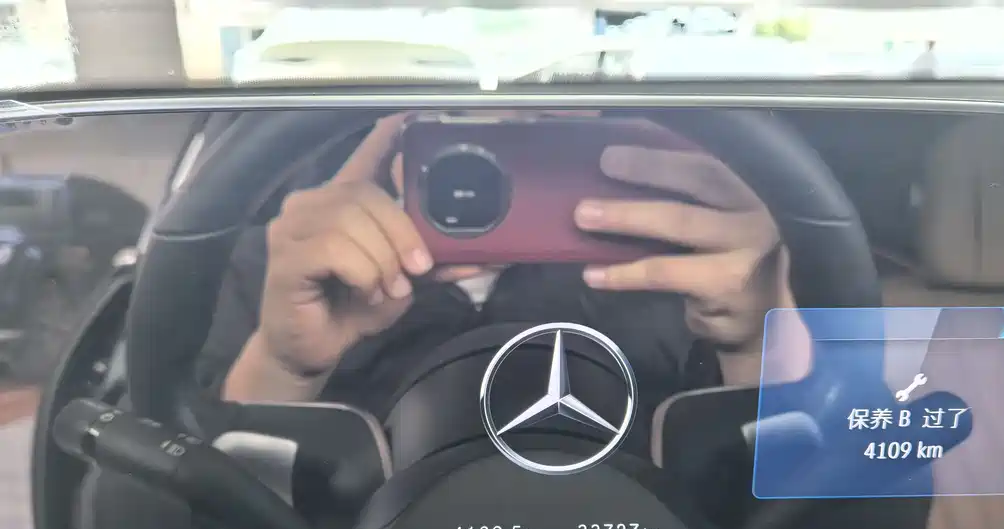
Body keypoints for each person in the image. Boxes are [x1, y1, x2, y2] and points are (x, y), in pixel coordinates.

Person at [199, 111, 808, 428]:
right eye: (460, 112)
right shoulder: (283, 258)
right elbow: (176, 526)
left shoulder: (706, 252)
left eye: (547, 120)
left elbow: (823, 520)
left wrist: (760, 342)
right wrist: (282, 365)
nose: (506, 125)